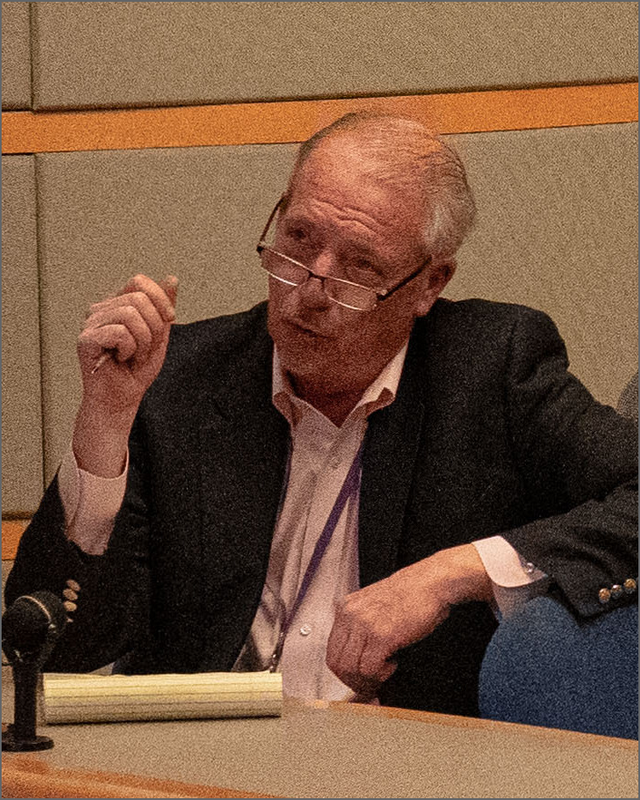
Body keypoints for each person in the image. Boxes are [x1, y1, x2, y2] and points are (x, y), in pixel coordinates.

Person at [6, 113, 637, 717]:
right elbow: (58, 648)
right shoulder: (182, 380)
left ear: (428, 285)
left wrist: (455, 572)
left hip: (402, 761)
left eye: (360, 267)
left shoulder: (491, 369)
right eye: (299, 240)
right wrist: (104, 427)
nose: (310, 290)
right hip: (202, 758)